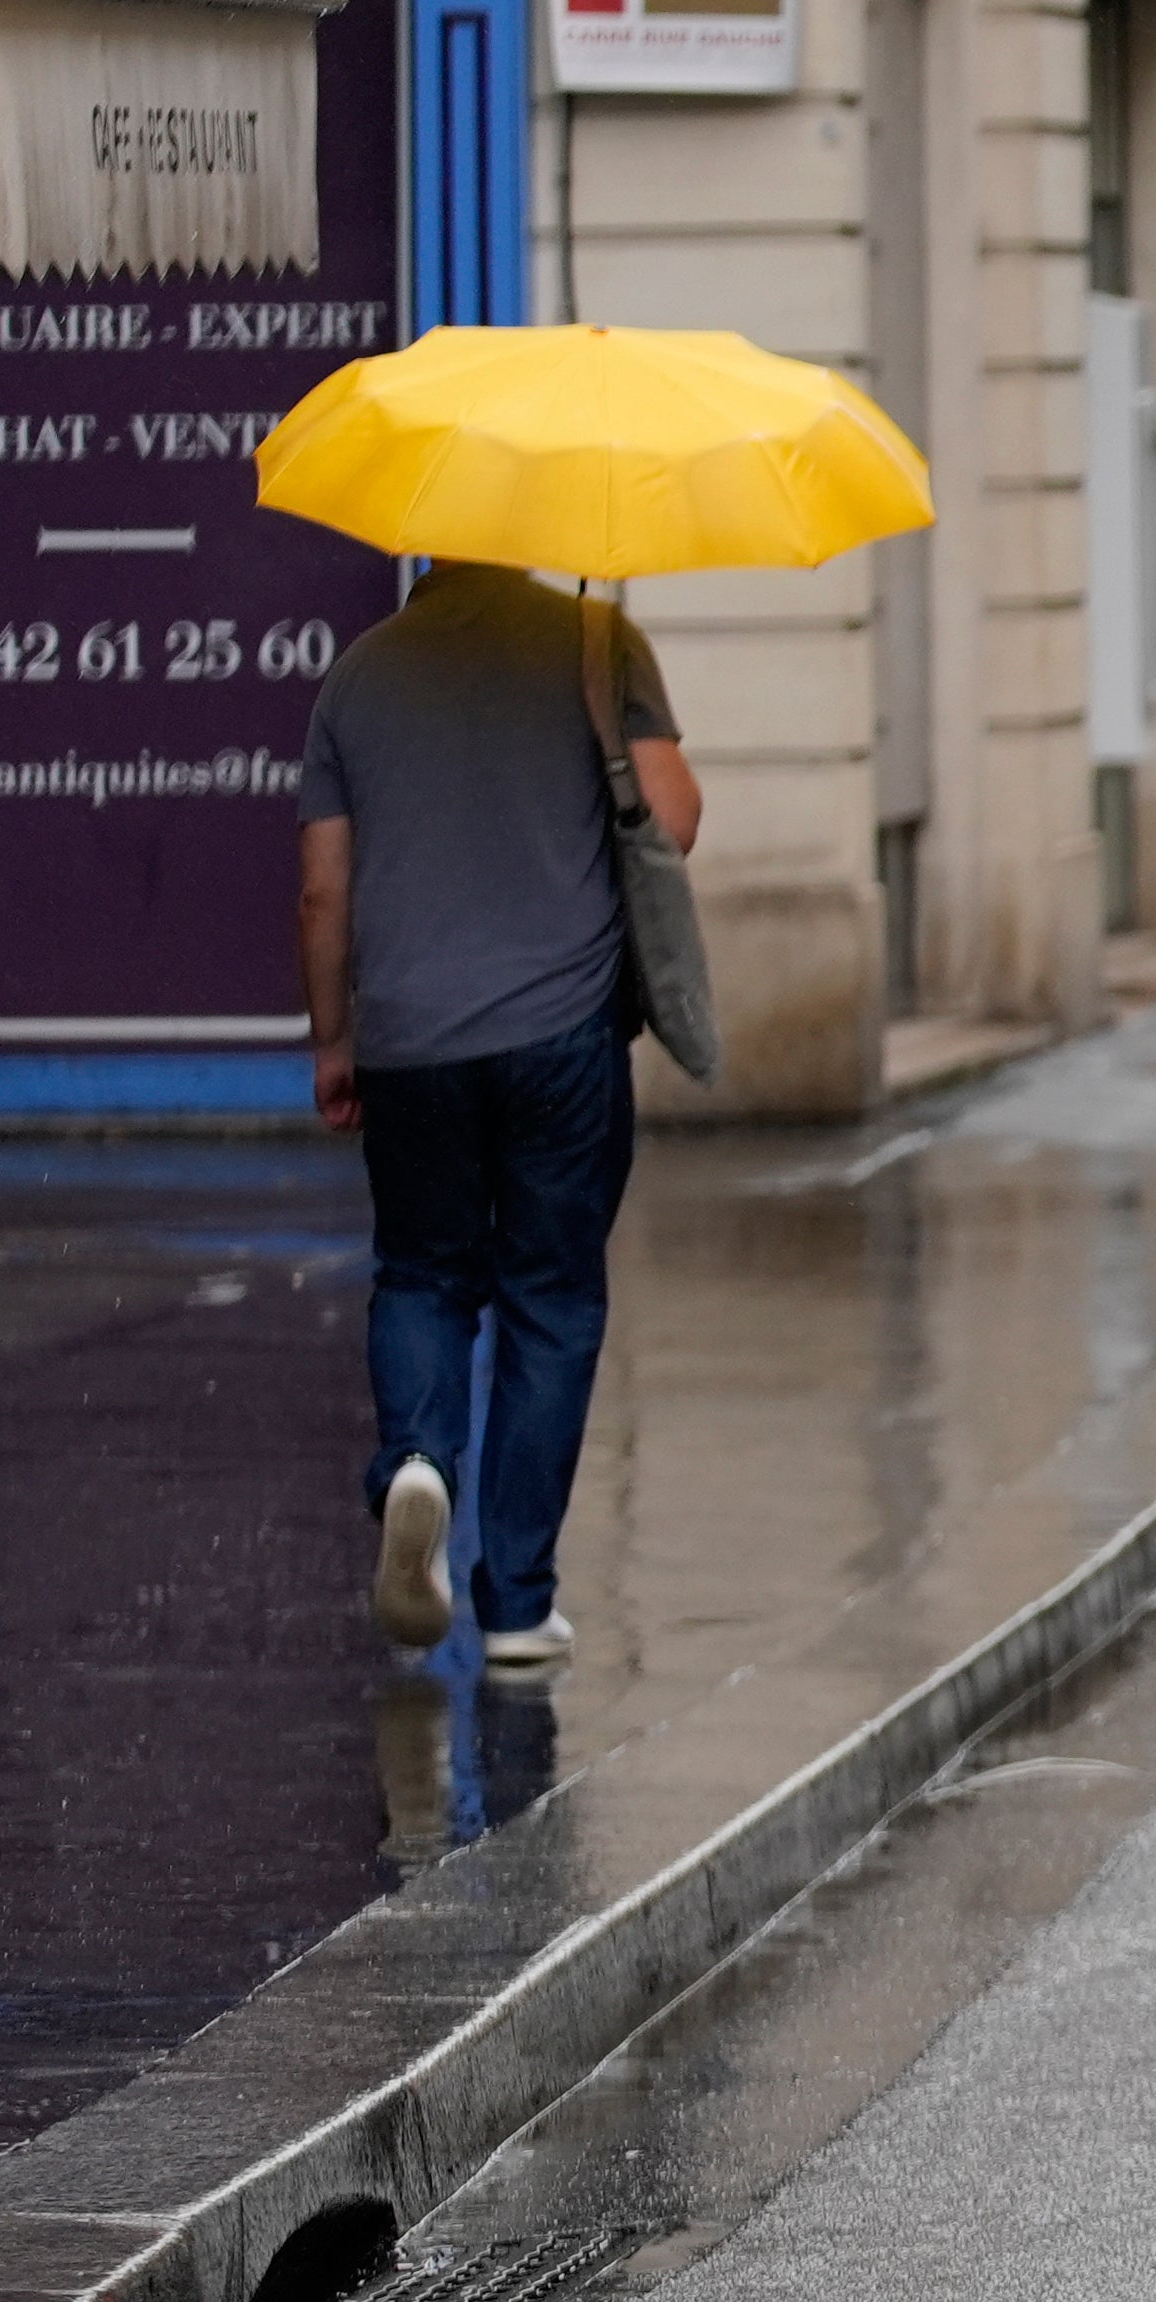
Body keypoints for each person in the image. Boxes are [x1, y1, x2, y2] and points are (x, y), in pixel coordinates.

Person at [296, 561, 700, 1667]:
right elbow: (674, 820)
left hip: (410, 1041)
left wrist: (336, 1041)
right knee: (551, 1298)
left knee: (424, 1273)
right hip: (561, 1036)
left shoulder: (357, 680)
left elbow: (324, 887)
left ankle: (420, 1461)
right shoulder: (597, 645)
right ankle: (516, 1601)